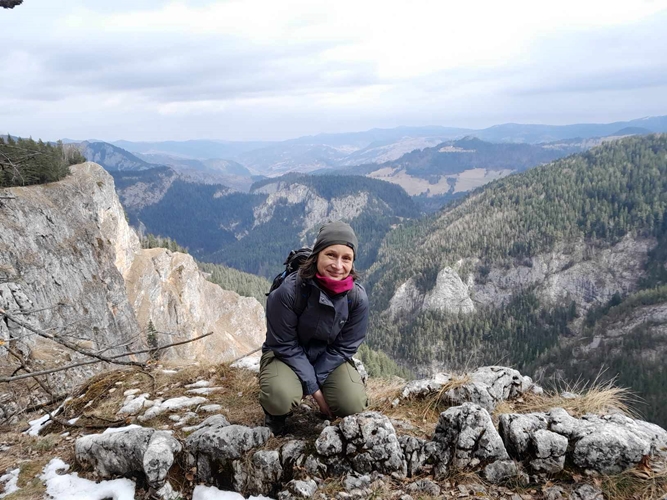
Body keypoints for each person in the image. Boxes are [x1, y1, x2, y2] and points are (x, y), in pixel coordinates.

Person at [259, 221, 369, 434]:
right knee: (279, 396)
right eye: (331, 255)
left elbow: (345, 347)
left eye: (346, 258)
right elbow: (284, 344)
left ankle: (310, 386)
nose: (338, 265)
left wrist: (312, 380)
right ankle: (275, 413)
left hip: (328, 357)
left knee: (353, 404)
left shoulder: (356, 298)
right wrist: (316, 392)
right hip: (285, 355)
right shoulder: (289, 291)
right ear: (317, 255)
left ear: (353, 262)